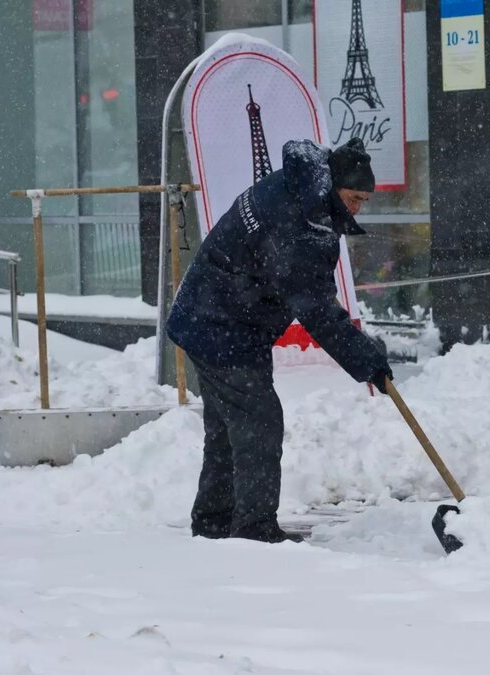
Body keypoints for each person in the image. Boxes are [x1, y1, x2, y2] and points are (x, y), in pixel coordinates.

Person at [167, 138, 393, 543]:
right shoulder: (298, 223)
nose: (358, 208)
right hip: (222, 325)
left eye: (363, 200)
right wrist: (367, 361)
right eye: (354, 197)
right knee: (259, 422)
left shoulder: (300, 190)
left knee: (228, 427)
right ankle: (254, 529)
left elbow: (313, 293)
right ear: (334, 185)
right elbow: (316, 310)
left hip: (215, 318)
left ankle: (215, 520)